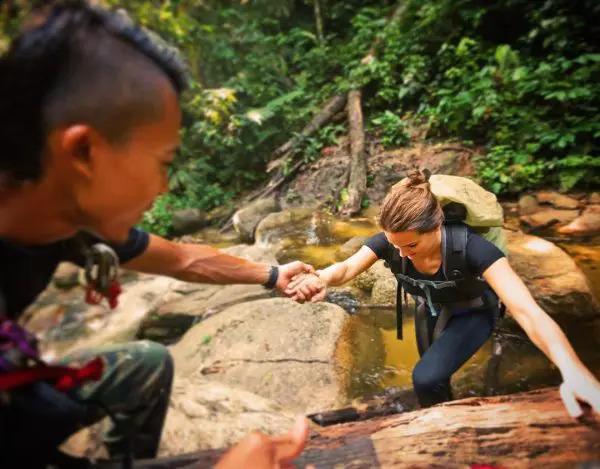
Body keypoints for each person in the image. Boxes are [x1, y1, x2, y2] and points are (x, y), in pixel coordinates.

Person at [0, 1, 312, 467]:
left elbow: (183, 259)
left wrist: (273, 274)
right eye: (163, 162)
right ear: (84, 151)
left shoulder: (64, 220)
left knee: (145, 364)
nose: (164, 187)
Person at [286, 170, 600, 416]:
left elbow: (529, 313)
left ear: (436, 226)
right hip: (431, 309)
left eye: (411, 245)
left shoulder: (474, 248)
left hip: (475, 312)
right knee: (435, 376)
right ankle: (443, 418)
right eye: (395, 245)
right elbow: (345, 268)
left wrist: (573, 371)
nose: (402, 254)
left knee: (424, 377)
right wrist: (322, 278)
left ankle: (446, 427)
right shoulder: (392, 242)